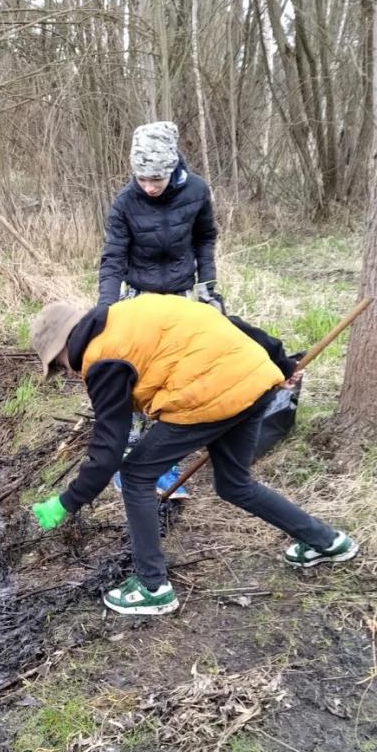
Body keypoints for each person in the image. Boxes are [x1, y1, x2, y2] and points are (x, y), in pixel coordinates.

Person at [27, 296, 359, 617]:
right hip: (254, 376)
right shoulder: (131, 312)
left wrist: (67, 502)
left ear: (64, 348)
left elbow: (108, 448)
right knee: (234, 484)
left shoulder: (103, 360)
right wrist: (278, 360)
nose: (68, 373)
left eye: (59, 366)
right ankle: (327, 542)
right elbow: (219, 321)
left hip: (210, 395)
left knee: (135, 474)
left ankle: (152, 587)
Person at [99, 120, 222, 497]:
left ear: (172, 169)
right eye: (142, 179)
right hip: (140, 297)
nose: (149, 187)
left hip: (182, 297)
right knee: (135, 380)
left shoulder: (197, 191)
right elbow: (113, 258)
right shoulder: (125, 202)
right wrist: (104, 308)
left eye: (156, 179)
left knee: (177, 380)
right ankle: (130, 459)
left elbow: (205, 239)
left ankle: (165, 465)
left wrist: (209, 288)